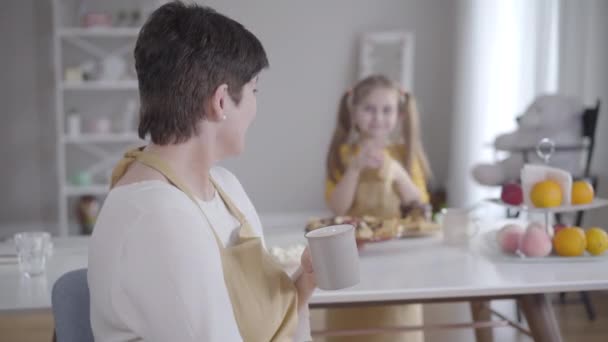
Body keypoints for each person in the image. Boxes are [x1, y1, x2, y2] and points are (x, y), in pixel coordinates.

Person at [87, 2, 315, 341]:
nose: (256, 104)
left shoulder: (225, 188)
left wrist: (307, 280)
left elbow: (264, 323)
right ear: (221, 101)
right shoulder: (156, 218)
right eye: (254, 90)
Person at [324, 74, 432, 342]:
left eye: (387, 110)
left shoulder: (403, 154)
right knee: (350, 322)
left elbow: (420, 203)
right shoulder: (344, 154)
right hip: (353, 253)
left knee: (395, 323)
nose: (378, 117)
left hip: (395, 255)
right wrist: (355, 169)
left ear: (399, 115)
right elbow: (337, 206)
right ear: (354, 112)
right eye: (369, 109)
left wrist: (396, 172)